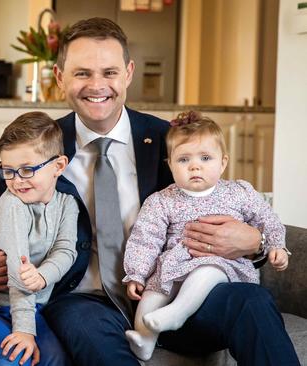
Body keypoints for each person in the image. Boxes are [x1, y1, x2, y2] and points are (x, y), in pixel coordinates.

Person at [0, 17, 300, 365]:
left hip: (175, 289)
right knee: (93, 337)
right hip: (81, 300)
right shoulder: (38, 148)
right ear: (60, 77)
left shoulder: (172, 141)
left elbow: (230, 203)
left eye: (109, 72)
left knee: (252, 301)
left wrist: (257, 244)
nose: (97, 85)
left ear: (128, 73)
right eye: (82, 73)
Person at [122, 111, 291, 361]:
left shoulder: (238, 193)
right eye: (183, 160)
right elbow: (145, 239)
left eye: (205, 158)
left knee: (207, 269)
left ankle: (177, 312)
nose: (195, 166)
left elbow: (267, 218)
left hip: (222, 267)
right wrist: (136, 273)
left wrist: (275, 245)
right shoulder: (161, 201)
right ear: (169, 164)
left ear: (223, 163)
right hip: (174, 268)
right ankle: (145, 339)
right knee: (152, 293)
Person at [0, 112, 78, 366]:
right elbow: (17, 272)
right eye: (8, 171)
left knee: (55, 358)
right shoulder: (12, 204)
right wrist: (24, 331)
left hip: (34, 306)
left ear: (59, 166)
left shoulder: (68, 204)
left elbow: (66, 251)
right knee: (17, 357)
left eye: (27, 170)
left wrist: (43, 276)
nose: (17, 181)